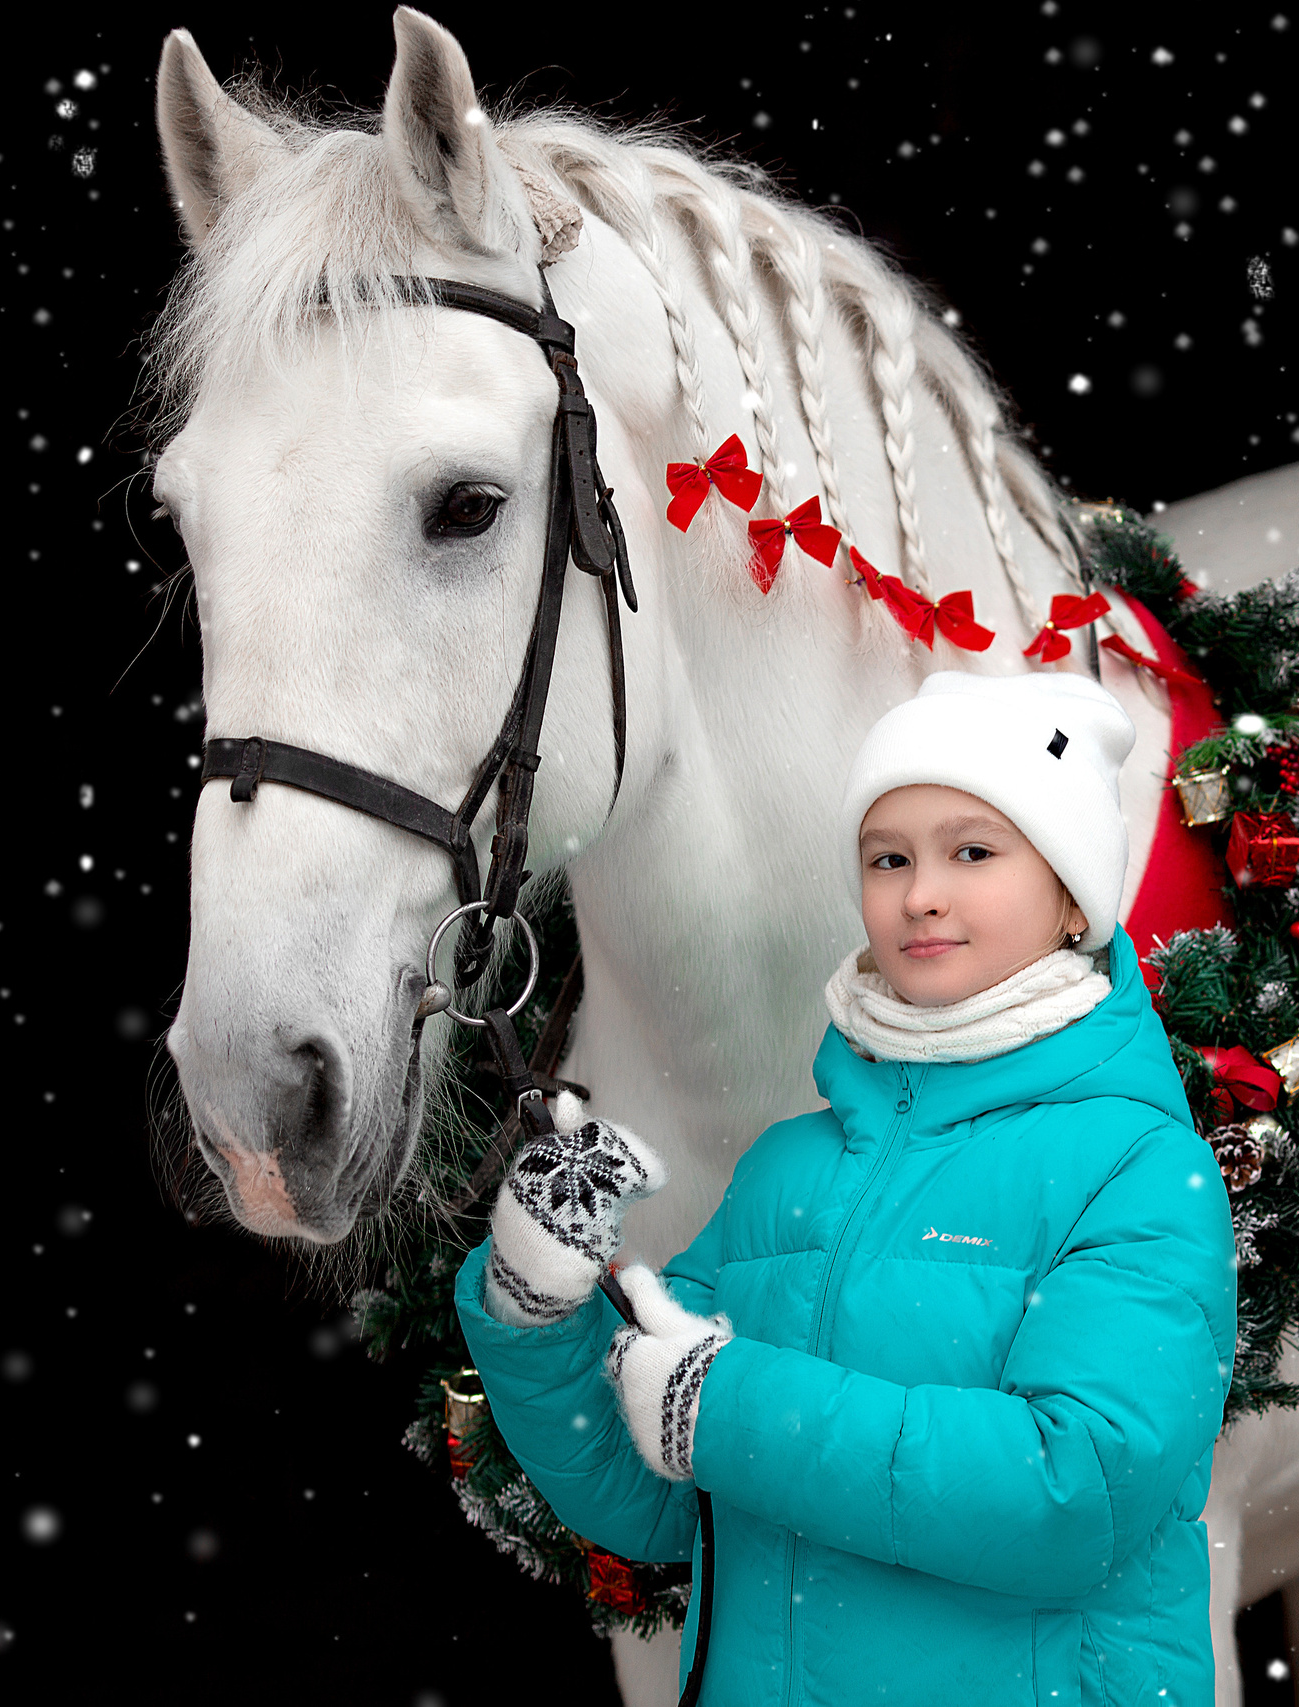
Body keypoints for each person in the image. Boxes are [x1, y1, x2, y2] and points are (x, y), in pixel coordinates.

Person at [456, 670, 1237, 1703]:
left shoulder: (1135, 1170)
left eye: (972, 851)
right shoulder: (789, 1171)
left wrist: (726, 1403)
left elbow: (1072, 1494)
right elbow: (650, 1500)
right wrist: (538, 1302)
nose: (921, 892)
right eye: (888, 858)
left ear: (1070, 899)